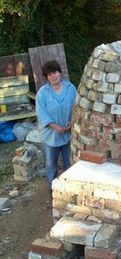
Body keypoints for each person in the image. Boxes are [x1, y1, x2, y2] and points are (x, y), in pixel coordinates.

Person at [36, 60, 77, 191]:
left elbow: (77, 107)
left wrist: (73, 121)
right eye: (49, 75)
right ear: (47, 77)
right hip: (50, 135)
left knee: (69, 163)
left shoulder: (71, 88)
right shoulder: (42, 93)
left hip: (68, 134)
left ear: (60, 72)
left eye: (54, 72)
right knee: (51, 164)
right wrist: (55, 126)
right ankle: (52, 188)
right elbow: (41, 113)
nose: (53, 76)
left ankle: (69, 188)